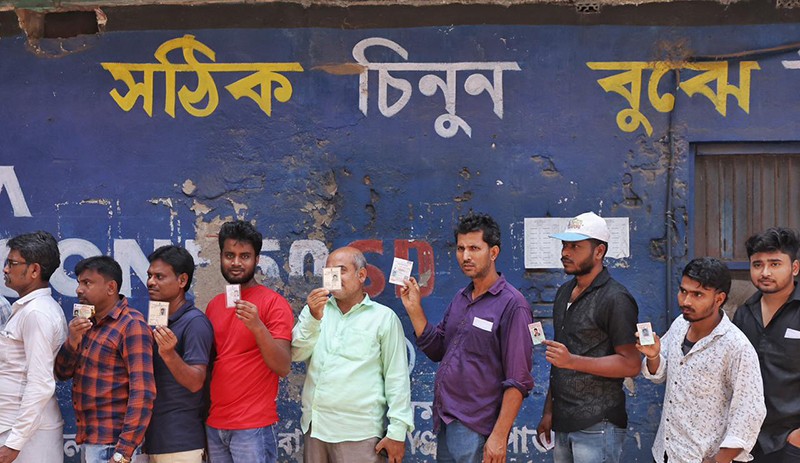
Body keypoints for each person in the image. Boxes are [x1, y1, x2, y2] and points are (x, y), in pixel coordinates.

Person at [400, 213, 534, 463]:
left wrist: (498, 436)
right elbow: (438, 349)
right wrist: (414, 309)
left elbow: (518, 380)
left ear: (493, 252)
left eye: (474, 248)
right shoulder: (461, 297)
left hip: (479, 427)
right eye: (461, 248)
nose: (466, 256)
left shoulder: (513, 305)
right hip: (447, 420)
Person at [292, 247, 414, 463]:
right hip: (316, 429)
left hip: (360, 434)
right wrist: (312, 318)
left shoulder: (383, 318)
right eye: (329, 271)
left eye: (341, 270)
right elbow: (296, 354)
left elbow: (397, 380)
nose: (334, 277)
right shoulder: (315, 311)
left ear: (361, 275)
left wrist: (397, 432)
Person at [638, 257, 766, 463]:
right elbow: (660, 375)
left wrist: (718, 460)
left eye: (698, 294)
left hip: (700, 458)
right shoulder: (680, 324)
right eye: (683, 291)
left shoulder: (736, 347)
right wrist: (653, 355)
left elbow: (750, 411)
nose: (686, 301)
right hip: (665, 453)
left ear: (719, 298)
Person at [538, 211, 640, 463]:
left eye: (575, 246)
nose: (565, 252)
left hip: (598, 424)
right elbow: (560, 360)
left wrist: (572, 361)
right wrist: (549, 411)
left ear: (599, 251)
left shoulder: (616, 298)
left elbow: (631, 364)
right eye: (564, 244)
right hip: (563, 422)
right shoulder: (564, 292)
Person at [205, 220, 293, 463]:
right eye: (229, 255)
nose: (235, 263)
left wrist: (256, 325)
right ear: (221, 257)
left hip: (252, 426)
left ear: (257, 260)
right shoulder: (214, 305)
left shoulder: (273, 303)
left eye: (245, 256)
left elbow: (283, 366)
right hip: (215, 424)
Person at [55, 256, 156, 463]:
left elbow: (143, 391)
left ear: (111, 287)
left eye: (87, 283)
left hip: (115, 447)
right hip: (92, 441)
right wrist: (72, 342)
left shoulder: (131, 325)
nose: (79, 290)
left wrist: (123, 453)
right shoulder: (87, 324)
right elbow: (61, 373)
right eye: (79, 283)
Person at [732, 228, 800, 462]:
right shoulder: (743, 314)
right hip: (748, 440)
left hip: (791, 441)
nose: (765, 272)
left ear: (794, 268)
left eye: (775, 264)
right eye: (757, 264)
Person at [0, 231, 67, 463]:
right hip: (16, 429)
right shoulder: (28, 309)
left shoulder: (37, 313)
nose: (6, 269)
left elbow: (40, 383)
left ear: (35, 270)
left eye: (12, 263)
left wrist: (14, 443)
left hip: (29, 439)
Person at [144, 246, 214, 463]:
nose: (151, 282)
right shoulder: (158, 321)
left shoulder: (195, 323)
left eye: (159, 276)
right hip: (154, 441)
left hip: (182, 445)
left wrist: (169, 354)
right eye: (149, 275)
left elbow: (195, 382)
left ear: (182, 281)